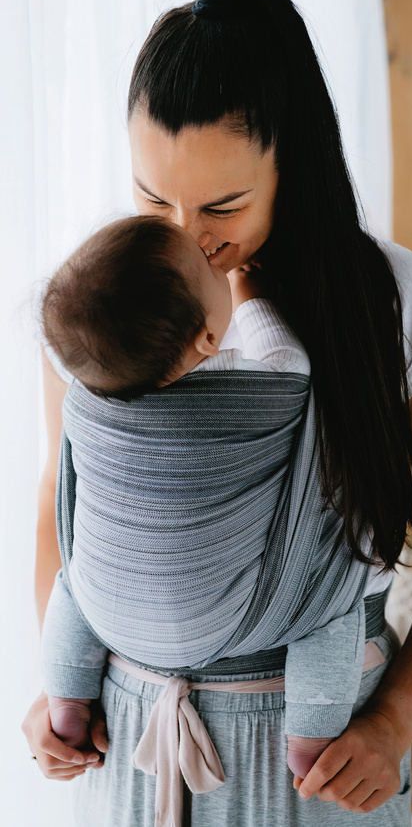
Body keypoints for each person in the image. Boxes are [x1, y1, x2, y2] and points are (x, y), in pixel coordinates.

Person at [22, 0, 412, 826]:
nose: (186, 240)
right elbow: (65, 511)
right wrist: (60, 689)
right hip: (131, 729)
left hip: (321, 739)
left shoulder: (396, 304)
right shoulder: (104, 304)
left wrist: (396, 720)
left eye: (223, 206)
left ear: (296, 164)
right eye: (151, 195)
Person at [39, 212, 377, 784]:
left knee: (74, 582)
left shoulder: (87, 400)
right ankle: (311, 736)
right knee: (332, 600)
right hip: (244, 614)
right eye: (208, 269)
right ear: (208, 338)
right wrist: (251, 291)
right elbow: (288, 359)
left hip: (112, 612)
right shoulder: (261, 392)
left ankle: (65, 702)